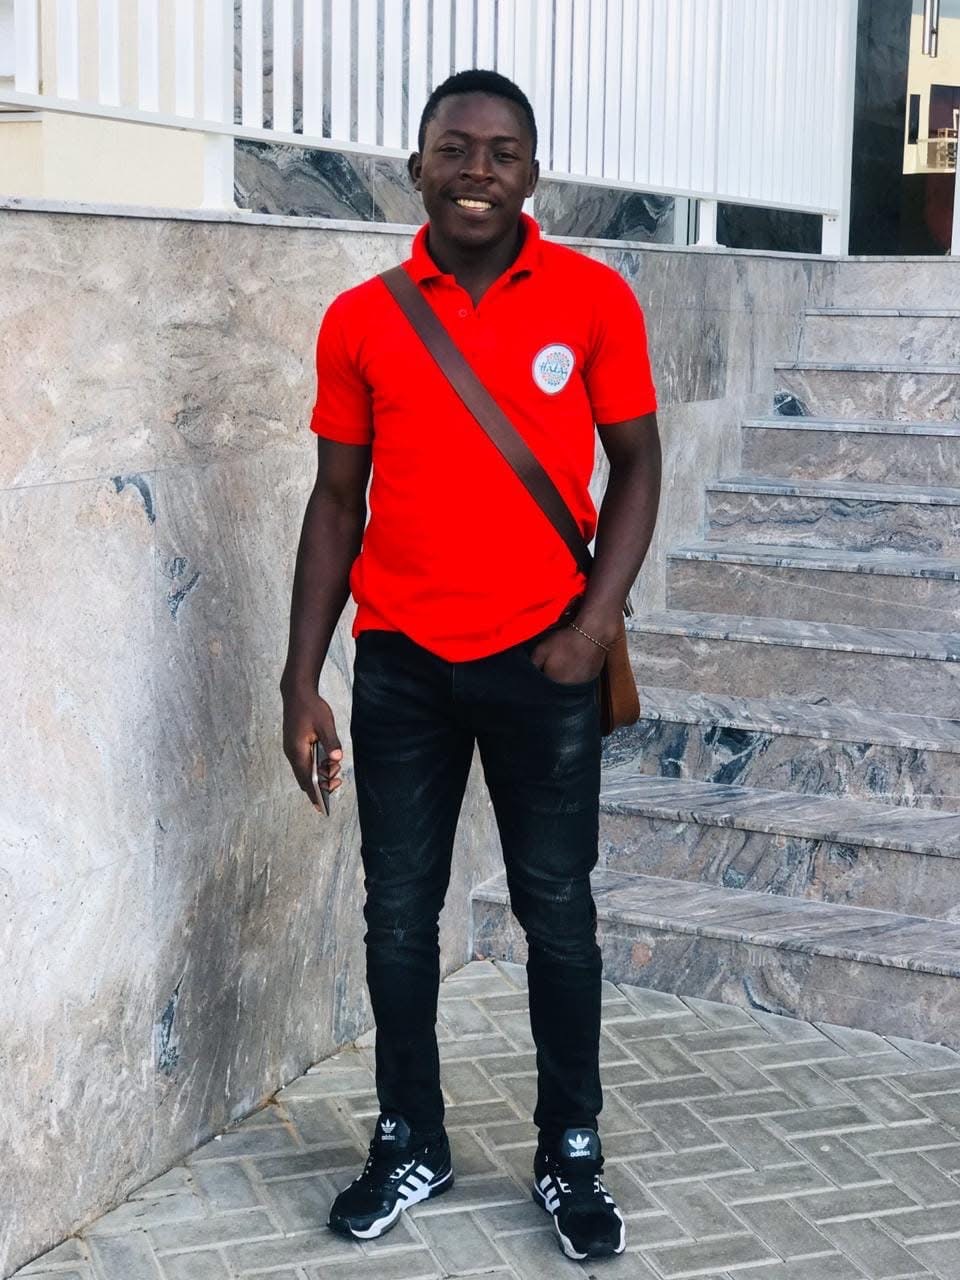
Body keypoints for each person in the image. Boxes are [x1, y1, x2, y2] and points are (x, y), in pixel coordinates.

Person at [281, 68, 661, 1262]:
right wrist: (302, 678)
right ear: (418, 168)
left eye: (501, 151)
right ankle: (411, 1135)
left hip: (545, 660)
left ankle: (570, 1146)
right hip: (401, 663)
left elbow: (638, 465)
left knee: (558, 912)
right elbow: (335, 502)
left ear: (533, 173)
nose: (478, 170)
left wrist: (593, 628)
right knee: (398, 914)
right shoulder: (362, 318)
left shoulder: (595, 299)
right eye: (455, 148)